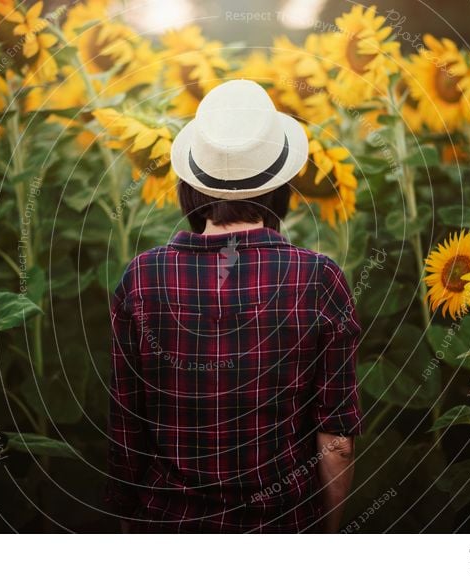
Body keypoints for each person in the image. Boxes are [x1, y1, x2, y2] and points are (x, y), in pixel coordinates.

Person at [105, 79, 362, 533]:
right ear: (280, 185)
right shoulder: (318, 279)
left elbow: (128, 433)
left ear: (191, 184)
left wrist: (126, 528)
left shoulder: (141, 279)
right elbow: (336, 442)